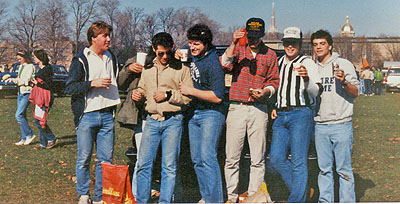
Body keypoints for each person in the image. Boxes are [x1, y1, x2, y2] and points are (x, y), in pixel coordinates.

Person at [220, 17, 279, 202]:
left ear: (261, 36)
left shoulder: (270, 54)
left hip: (259, 109)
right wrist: (233, 42)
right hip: (237, 107)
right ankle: (231, 196)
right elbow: (224, 63)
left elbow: (274, 81)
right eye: (250, 36)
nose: (253, 40)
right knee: (232, 157)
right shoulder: (237, 49)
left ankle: (254, 196)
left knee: (258, 158)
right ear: (245, 33)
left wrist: (266, 92)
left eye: (256, 36)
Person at [132, 32, 193, 203]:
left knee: (169, 167)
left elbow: (187, 97)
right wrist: (137, 94)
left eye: (168, 52)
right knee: (143, 165)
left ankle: (165, 201)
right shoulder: (148, 69)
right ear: (153, 49)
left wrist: (168, 95)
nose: (165, 57)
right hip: (152, 121)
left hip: (173, 121)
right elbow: (143, 88)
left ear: (173, 47)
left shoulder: (183, 69)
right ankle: (141, 200)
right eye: (160, 53)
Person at [64, 21, 120, 204]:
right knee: (84, 158)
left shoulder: (111, 57)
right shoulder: (81, 59)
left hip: (107, 115)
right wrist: (91, 84)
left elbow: (119, 81)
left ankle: (98, 197)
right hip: (87, 115)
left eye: (108, 35)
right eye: (104, 36)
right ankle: (83, 195)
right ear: (93, 38)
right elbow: (70, 87)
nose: (108, 39)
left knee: (106, 160)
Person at [269, 27, 322, 202]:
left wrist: (306, 79)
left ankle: (296, 199)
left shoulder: (308, 63)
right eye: (287, 43)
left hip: (300, 114)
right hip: (281, 114)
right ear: (283, 43)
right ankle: (302, 191)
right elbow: (277, 87)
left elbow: (315, 92)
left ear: (299, 44)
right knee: (276, 158)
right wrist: (274, 106)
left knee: (299, 160)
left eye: (294, 43)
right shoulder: (279, 62)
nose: (290, 46)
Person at [175, 24, 226, 203]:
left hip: (211, 114)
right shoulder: (193, 57)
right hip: (194, 114)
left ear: (205, 44)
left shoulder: (213, 63)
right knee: (197, 159)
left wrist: (191, 91)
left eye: (196, 44)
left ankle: (216, 200)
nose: (192, 47)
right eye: (190, 43)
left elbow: (218, 96)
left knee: (207, 157)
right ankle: (206, 197)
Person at [311, 29, 359, 203]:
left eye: (322, 44)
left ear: (330, 45)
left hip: (341, 124)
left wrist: (343, 82)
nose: (318, 47)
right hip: (320, 125)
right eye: (315, 45)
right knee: (324, 170)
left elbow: (355, 93)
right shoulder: (312, 67)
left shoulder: (343, 64)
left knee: (344, 170)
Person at [5, 51, 36, 146]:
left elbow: (26, 80)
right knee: (22, 115)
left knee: (18, 115)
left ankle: (30, 134)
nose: (19, 61)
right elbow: (20, 78)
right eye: (17, 59)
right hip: (20, 92)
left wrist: (13, 80)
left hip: (27, 92)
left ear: (25, 57)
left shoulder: (30, 66)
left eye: (20, 59)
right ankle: (24, 138)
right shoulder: (21, 66)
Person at [30, 50, 57, 149]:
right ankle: (43, 143)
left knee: (40, 120)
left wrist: (38, 83)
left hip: (46, 97)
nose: (34, 59)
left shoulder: (47, 69)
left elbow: (49, 85)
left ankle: (51, 138)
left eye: (35, 57)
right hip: (39, 96)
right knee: (38, 118)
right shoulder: (40, 68)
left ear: (40, 58)